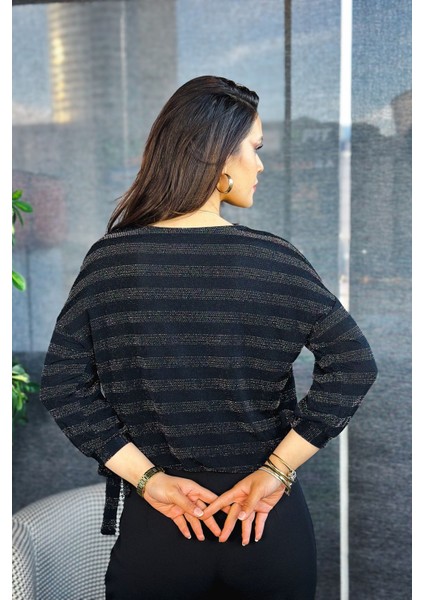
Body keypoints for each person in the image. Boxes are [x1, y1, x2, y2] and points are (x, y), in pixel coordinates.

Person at [39, 75, 378, 600]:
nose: (260, 166)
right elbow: (353, 365)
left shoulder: (110, 261)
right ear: (218, 156)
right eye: (255, 149)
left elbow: (64, 386)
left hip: (160, 528)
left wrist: (150, 480)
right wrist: (276, 471)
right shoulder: (275, 259)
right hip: (264, 524)